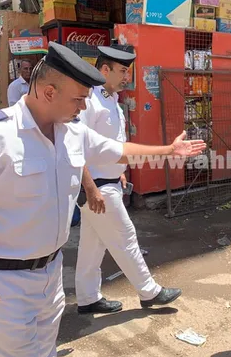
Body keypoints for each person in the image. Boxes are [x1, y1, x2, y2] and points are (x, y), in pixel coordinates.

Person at [0, 42, 206, 357]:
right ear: (49, 91)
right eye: (79, 98)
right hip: (1, 284)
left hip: (51, 275)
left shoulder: (72, 132)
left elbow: (119, 150)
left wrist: (169, 150)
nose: (84, 106)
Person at [75, 46, 180, 314]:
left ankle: (87, 298)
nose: (126, 76)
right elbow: (76, 147)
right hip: (96, 186)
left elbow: (113, 144)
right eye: (122, 71)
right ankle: (149, 292)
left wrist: (119, 171)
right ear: (104, 70)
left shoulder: (112, 99)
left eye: (128, 71)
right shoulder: (89, 100)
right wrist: (89, 187)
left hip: (107, 181)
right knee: (126, 237)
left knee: (92, 245)